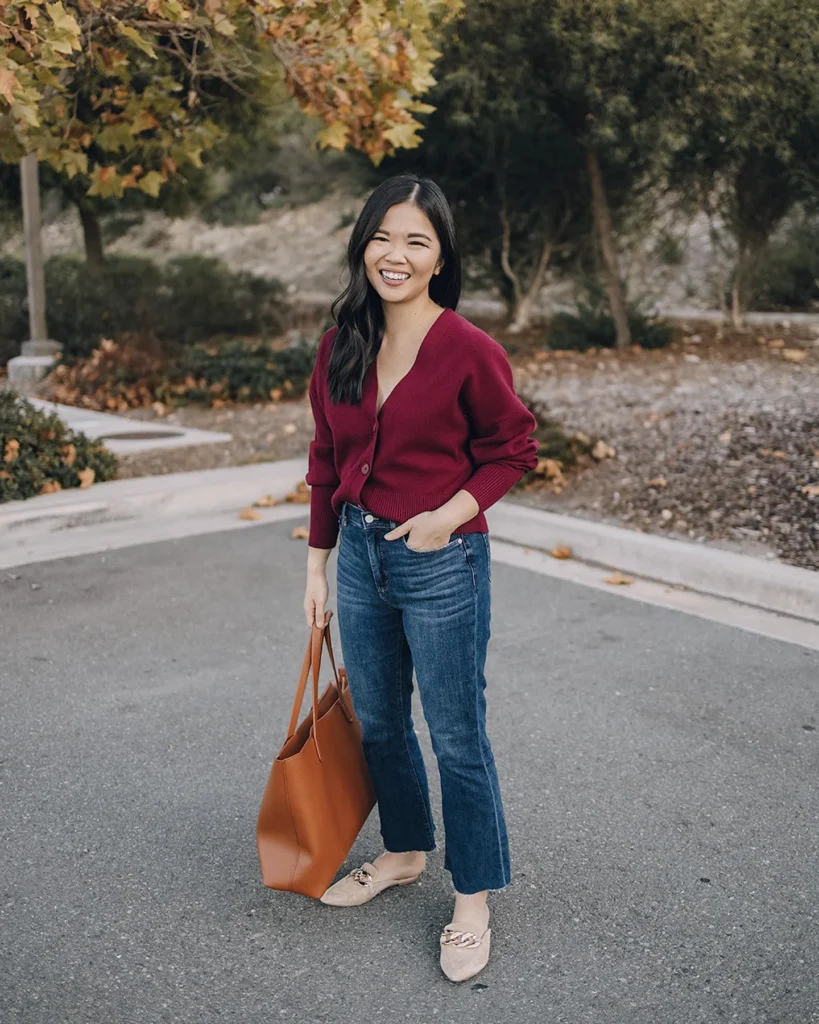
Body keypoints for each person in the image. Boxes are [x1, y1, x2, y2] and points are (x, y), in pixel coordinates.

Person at [303, 172, 539, 983]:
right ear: (361, 244)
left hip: (443, 562)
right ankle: (404, 851)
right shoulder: (342, 342)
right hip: (363, 557)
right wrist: (318, 564)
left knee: (455, 734)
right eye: (382, 237)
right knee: (377, 723)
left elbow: (514, 446)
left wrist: (448, 515)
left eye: (415, 241)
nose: (394, 255)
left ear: (439, 258)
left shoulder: (471, 350)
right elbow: (326, 458)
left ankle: (472, 897)